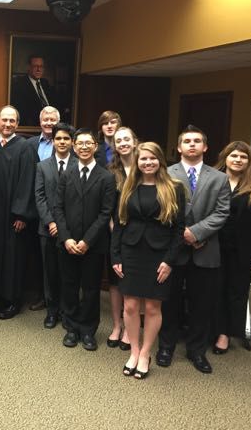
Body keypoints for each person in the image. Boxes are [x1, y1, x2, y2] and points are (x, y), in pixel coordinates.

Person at [157, 125, 230, 374]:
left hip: (205, 250)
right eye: (187, 141)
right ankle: (166, 347)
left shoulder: (219, 178)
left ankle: (197, 351)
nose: (192, 144)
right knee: (170, 302)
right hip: (173, 252)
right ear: (179, 147)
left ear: (205, 147)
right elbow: (161, 210)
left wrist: (197, 233)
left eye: (197, 141)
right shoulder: (166, 174)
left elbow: (222, 213)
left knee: (201, 304)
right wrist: (183, 236)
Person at [111, 142, 186, 379]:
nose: (148, 162)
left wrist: (170, 261)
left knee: (153, 307)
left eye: (153, 158)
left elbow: (179, 229)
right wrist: (115, 256)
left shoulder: (174, 188)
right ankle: (134, 352)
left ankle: (145, 354)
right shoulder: (127, 186)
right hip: (130, 252)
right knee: (130, 306)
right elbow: (119, 224)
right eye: (143, 159)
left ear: (160, 161)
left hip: (159, 255)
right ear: (137, 162)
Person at [52, 128, 116, 351]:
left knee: (90, 289)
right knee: (69, 287)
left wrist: (87, 241)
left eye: (89, 143)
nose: (84, 147)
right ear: (74, 146)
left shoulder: (106, 177)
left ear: (95, 146)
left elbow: (105, 213)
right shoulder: (66, 174)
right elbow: (57, 208)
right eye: (80, 143)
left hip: (94, 245)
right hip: (68, 243)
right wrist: (66, 238)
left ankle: (88, 330)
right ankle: (71, 328)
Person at [213, 141, 251, 353]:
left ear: (249, 161)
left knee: (237, 292)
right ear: (225, 157)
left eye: (243, 157)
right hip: (214, 246)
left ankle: (226, 334)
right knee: (216, 289)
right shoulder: (213, 179)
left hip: (244, 249)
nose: (238, 160)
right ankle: (214, 329)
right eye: (234, 155)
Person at [0, 106, 38, 319]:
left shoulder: (25, 148)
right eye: (4, 120)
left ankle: (12, 301)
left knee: (13, 257)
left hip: (14, 216)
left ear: (17, 124)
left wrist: (22, 214)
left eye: (12, 120)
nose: (7, 124)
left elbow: (28, 181)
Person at [34, 122, 75, 329]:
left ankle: (67, 312)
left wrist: (64, 226)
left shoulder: (79, 164)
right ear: (53, 141)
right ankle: (51, 311)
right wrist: (50, 221)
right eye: (58, 138)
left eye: (66, 138)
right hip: (47, 229)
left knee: (68, 273)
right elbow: (39, 197)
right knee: (49, 272)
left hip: (71, 230)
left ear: (72, 142)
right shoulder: (42, 166)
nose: (62, 142)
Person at [25, 106, 61, 311]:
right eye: (45, 119)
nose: (49, 123)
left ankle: (56, 299)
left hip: (54, 209)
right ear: (40, 122)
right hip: (32, 207)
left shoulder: (65, 142)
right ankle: (39, 294)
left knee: (55, 257)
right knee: (36, 255)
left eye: (52, 119)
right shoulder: (29, 144)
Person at [105, 126, 138, 351]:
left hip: (140, 235)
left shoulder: (145, 166)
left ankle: (129, 328)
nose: (123, 143)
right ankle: (117, 326)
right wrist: (112, 228)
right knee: (115, 282)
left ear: (135, 141)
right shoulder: (110, 171)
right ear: (115, 146)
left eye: (127, 139)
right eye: (119, 141)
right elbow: (107, 205)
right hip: (115, 233)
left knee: (134, 282)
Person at [10, 55, 58, 126]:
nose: (39, 69)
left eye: (41, 66)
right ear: (29, 67)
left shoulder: (45, 83)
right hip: (33, 126)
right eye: (35, 66)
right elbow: (22, 112)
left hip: (51, 124)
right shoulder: (20, 85)